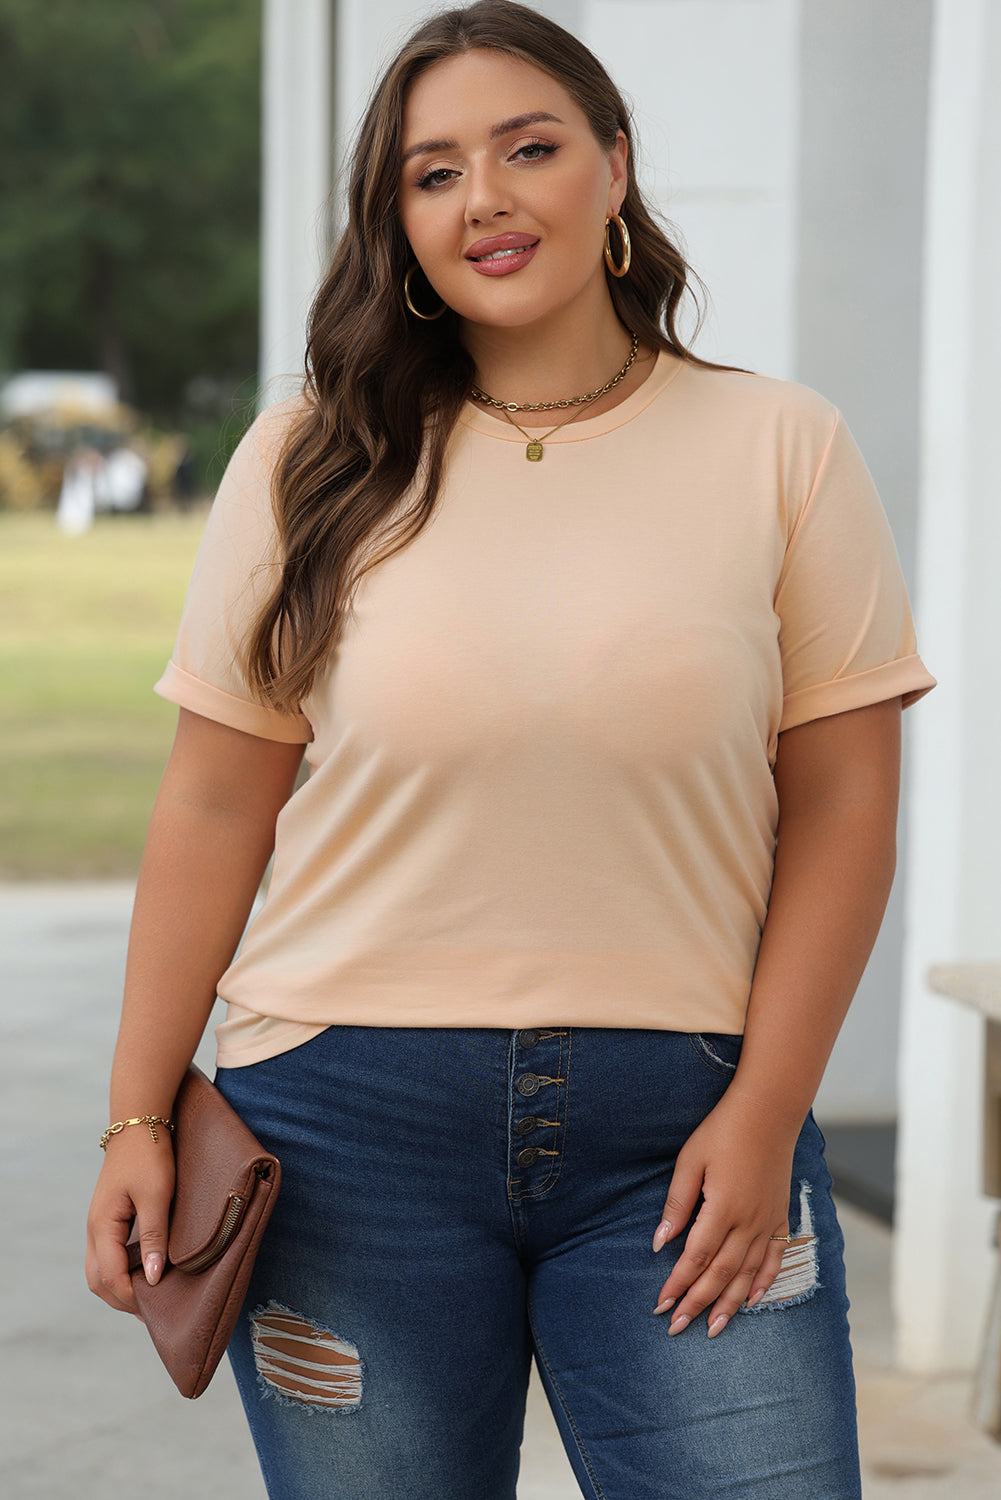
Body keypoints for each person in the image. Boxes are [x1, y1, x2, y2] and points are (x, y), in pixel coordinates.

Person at [86, 4, 935, 1496]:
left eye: (527, 148)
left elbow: (847, 812)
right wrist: (139, 1116)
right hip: (342, 1138)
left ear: (612, 169)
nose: (481, 197)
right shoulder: (306, 463)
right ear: (395, 221)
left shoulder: (779, 448)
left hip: (687, 1129)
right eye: (430, 173)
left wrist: (767, 1111)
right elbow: (214, 806)